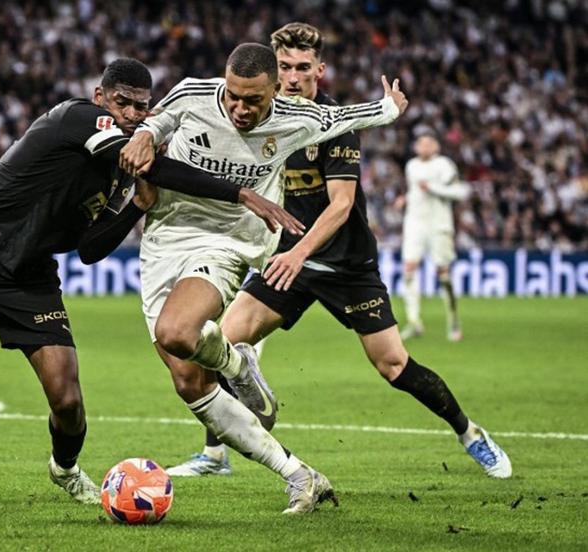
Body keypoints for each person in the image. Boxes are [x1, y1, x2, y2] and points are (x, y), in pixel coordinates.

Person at [0, 58, 303, 506]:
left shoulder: (120, 171)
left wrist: (139, 206)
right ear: (101, 97)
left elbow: (89, 249)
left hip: (31, 273)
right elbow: (153, 167)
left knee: (66, 399)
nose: (132, 114)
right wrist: (241, 193)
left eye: (141, 107)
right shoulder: (79, 117)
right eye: (123, 103)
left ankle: (64, 469)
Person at [163, 23, 511, 481]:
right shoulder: (258, 118)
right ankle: (215, 454)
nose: (293, 77)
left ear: (319, 70)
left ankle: (469, 433)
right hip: (286, 260)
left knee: (393, 365)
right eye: (284, 67)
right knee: (220, 345)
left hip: (346, 265)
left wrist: (298, 253)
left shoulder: (334, 123)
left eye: (302, 67)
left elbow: (341, 206)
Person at [119, 42, 408, 514]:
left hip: (229, 241)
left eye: (253, 100)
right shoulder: (193, 94)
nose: (240, 108)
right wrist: (145, 136)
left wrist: (389, 108)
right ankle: (299, 474)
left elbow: (346, 118)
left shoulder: (298, 118)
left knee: (176, 332)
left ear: (275, 91)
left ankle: (234, 364)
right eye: (233, 96)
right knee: (189, 383)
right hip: (164, 240)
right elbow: (158, 122)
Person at [400, 132, 471, 341]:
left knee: (443, 273)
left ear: (436, 147)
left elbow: (461, 192)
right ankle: (414, 322)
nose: (423, 146)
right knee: (409, 269)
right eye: (420, 143)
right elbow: (415, 191)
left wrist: (432, 188)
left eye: (428, 143)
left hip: (439, 224)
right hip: (414, 223)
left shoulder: (444, 165)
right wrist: (405, 199)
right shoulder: (411, 166)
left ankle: (453, 321)